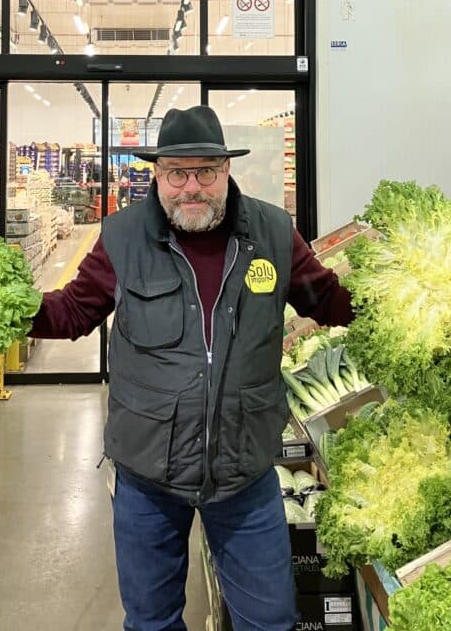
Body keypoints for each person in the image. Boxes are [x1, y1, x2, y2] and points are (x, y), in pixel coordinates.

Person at [31, 106, 353, 631]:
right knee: (152, 623)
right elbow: (72, 312)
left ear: (227, 170)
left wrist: (398, 292)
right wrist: (4, 314)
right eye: (177, 173)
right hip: (147, 477)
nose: (191, 188)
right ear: (156, 174)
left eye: (206, 171)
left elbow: (327, 299)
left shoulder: (272, 232)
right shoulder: (123, 237)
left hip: (244, 473)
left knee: (271, 621)